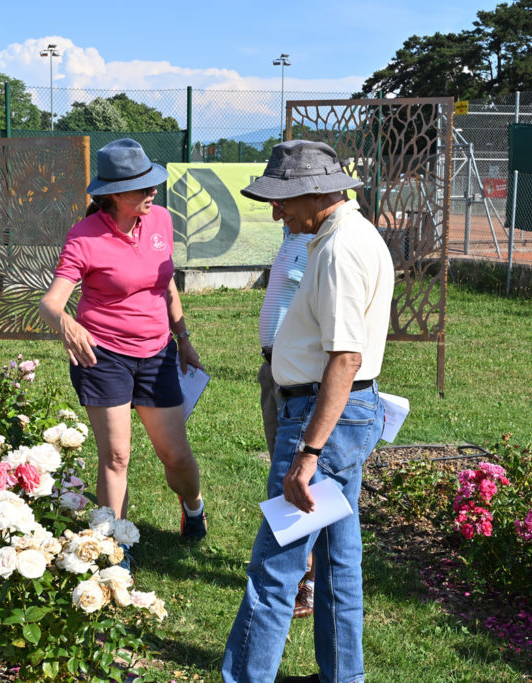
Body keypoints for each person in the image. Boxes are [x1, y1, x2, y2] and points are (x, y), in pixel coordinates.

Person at [222, 140, 394, 683]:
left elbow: (345, 357)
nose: (276, 211)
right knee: (340, 562)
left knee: (275, 567)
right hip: (339, 412)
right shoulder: (343, 236)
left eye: (282, 199)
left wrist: (309, 452)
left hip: (323, 416)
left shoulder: (341, 248)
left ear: (316, 192)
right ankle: (343, 676)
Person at [38, 138, 208, 544]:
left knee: (176, 455)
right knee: (116, 457)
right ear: (113, 194)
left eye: (153, 184)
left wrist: (183, 338)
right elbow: (50, 304)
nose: (153, 191)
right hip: (103, 355)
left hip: (157, 353)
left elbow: (165, 285)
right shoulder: (84, 236)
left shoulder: (161, 221)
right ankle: (112, 546)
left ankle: (193, 506)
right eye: (142, 186)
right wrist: (67, 323)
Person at [259, 221, 316, 620]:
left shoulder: (323, 243)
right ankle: (301, 573)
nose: (275, 207)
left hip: (302, 381)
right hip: (276, 373)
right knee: (286, 476)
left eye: (280, 195)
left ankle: (306, 579)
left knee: (300, 481)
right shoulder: (293, 235)